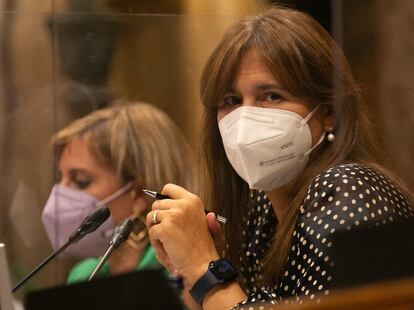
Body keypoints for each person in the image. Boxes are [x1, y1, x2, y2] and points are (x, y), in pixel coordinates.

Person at [145, 5, 414, 310]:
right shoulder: (261, 206)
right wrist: (194, 266)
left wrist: (202, 265)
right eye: (232, 101)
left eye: (271, 96)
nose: (245, 118)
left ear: (329, 112)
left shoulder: (348, 188)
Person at [41, 101, 197, 284]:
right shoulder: (83, 275)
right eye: (61, 178)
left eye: (80, 181)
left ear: (138, 194)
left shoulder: (180, 273)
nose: (60, 196)